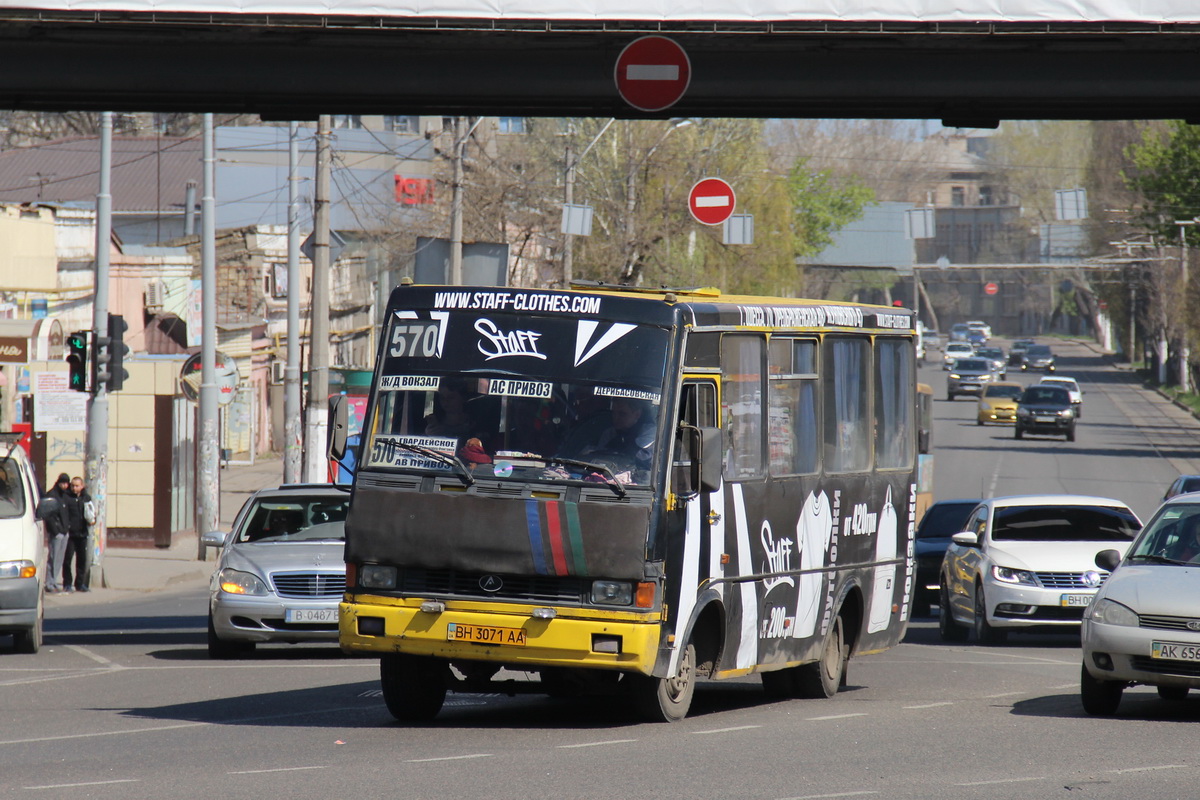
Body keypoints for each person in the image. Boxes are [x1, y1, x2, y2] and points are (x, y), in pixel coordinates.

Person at [579, 398, 656, 480]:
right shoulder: (609, 433)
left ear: (637, 414)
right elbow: (599, 458)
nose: (616, 418)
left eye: (622, 414)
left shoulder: (649, 431)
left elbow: (635, 456)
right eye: (613, 413)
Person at [41, 474, 72, 594]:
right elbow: (48, 516)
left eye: (66, 483)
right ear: (58, 482)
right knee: (53, 558)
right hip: (56, 533)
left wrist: (67, 528)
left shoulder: (65, 495)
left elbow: (67, 513)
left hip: (64, 532)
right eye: (63, 483)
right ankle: (49, 583)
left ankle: (54, 581)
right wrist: (56, 530)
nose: (65, 486)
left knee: (59, 558)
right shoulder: (51, 495)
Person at [62, 476, 92, 592]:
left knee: (82, 560)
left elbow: (90, 512)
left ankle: (80, 584)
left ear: (82, 486)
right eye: (73, 485)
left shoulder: (86, 498)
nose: (75, 488)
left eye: (77, 486)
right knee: (68, 559)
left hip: (82, 533)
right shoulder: (67, 497)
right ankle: (67, 583)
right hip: (70, 534)